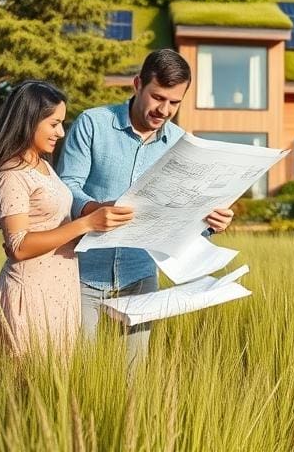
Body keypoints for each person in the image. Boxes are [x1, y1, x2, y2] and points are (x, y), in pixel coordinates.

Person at [58, 49, 234, 361]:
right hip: (82, 274)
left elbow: (182, 216)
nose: (164, 109)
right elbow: (66, 186)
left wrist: (209, 224)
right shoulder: (93, 124)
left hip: (140, 278)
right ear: (138, 84)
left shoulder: (182, 145)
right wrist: (93, 210)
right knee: (76, 372)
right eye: (157, 97)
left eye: (174, 102)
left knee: (133, 382)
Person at [0, 80, 135, 357]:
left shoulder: (43, 165)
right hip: (30, 296)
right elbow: (18, 246)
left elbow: (56, 223)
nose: (60, 132)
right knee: (22, 392)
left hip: (59, 293)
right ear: (30, 121)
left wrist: (103, 213)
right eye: (54, 123)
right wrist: (86, 223)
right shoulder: (11, 174)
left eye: (62, 123)